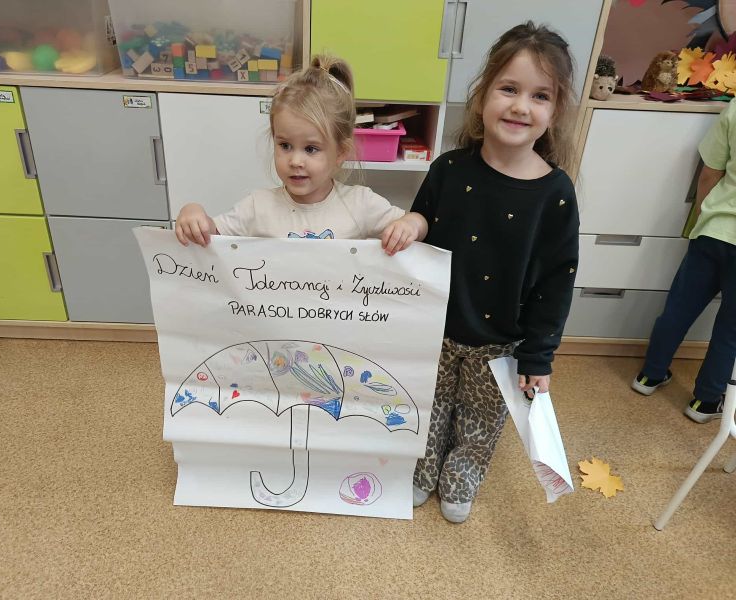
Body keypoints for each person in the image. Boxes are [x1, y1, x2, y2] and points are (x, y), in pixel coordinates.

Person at [410, 22, 580, 523]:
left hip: (501, 343)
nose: (521, 106)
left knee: (480, 421)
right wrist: (409, 224)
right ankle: (422, 468)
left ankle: (460, 476)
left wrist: (539, 355)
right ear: (483, 94)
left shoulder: (556, 193)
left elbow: (557, 279)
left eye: (539, 96)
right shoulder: (448, 169)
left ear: (554, 111)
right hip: (436, 330)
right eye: (509, 88)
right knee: (431, 406)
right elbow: (422, 220)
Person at [174, 55, 426, 253]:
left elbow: (418, 223)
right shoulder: (257, 207)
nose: (295, 161)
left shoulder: (360, 204)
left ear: (340, 152)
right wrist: (193, 212)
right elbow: (212, 233)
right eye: (285, 146)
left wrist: (410, 225)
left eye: (311, 149)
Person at [631, 101, 736, 424]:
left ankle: (650, 375)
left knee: (679, 308)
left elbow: (710, 173)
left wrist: (703, 219)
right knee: (730, 331)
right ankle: (705, 402)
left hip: (714, 230)